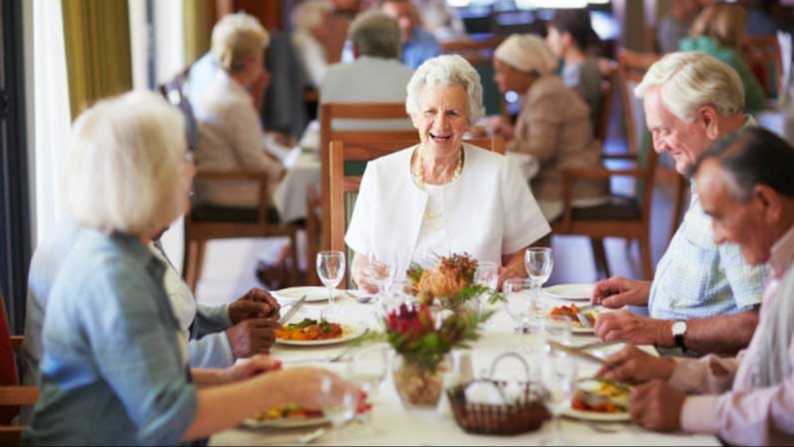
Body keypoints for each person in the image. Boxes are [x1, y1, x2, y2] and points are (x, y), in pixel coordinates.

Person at [23, 91, 356, 446]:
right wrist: (277, 388)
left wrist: (227, 380)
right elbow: (168, 419)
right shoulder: (111, 273)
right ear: (146, 178)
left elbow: (148, 376)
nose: (193, 168)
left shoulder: (120, 249)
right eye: (181, 157)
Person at [597, 128, 794, 446]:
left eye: (719, 218)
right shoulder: (781, 264)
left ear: (766, 203)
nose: (717, 237)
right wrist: (668, 370)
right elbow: (756, 371)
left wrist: (688, 411)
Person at [591, 52, 767, 355]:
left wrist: (661, 329)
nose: (658, 146)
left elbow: (759, 322)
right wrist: (652, 291)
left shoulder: (744, 184)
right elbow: (723, 293)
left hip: (706, 380)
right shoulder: (718, 162)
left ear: (708, 120)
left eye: (664, 130)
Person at [345, 55, 551, 292]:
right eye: (430, 112)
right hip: (396, 311)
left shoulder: (500, 172)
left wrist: (513, 273)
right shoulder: (379, 174)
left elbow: (523, 251)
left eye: (452, 113)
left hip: (474, 312)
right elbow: (361, 258)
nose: (440, 125)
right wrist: (362, 272)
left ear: (470, 121)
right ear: (414, 116)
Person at [491, 35, 609, 222]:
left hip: (571, 188)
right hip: (565, 181)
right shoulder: (541, 88)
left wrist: (494, 146)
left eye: (501, 71)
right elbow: (543, 140)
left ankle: (530, 251)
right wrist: (512, 135)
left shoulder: (546, 93)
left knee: (502, 215)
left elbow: (540, 151)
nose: (496, 78)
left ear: (523, 68)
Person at [193, 12, 285, 210]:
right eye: (261, 58)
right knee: (307, 192)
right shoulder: (235, 103)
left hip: (216, 185)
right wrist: (283, 171)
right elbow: (254, 163)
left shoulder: (219, 87)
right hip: (232, 191)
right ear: (249, 62)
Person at [320, 10, 414, 131]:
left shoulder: (331, 76)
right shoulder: (414, 80)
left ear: (355, 49)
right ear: (398, 47)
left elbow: (323, 129)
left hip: (343, 149)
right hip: (401, 150)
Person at [679, 3, 767, 113]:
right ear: (733, 29)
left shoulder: (683, 52)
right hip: (729, 127)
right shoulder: (729, 58)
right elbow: (757, 103)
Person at [545, 9, 603, 134]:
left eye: (550, 34)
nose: (548, 41)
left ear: (566, 38)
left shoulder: (579, 70)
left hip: (575, 139)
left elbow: (569, 112)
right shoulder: (582, 65)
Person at [381, 0, 440, 70]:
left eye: (409, 14)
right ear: (383, 20)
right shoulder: (375, 44)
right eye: (398, 17)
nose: (407, 23)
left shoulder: (428, 40)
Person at [291, 0, 334, 89]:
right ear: (313, 20)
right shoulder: (306, 44)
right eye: (326, 20)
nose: (330, 26)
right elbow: (321, 80)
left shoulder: (306, 41)